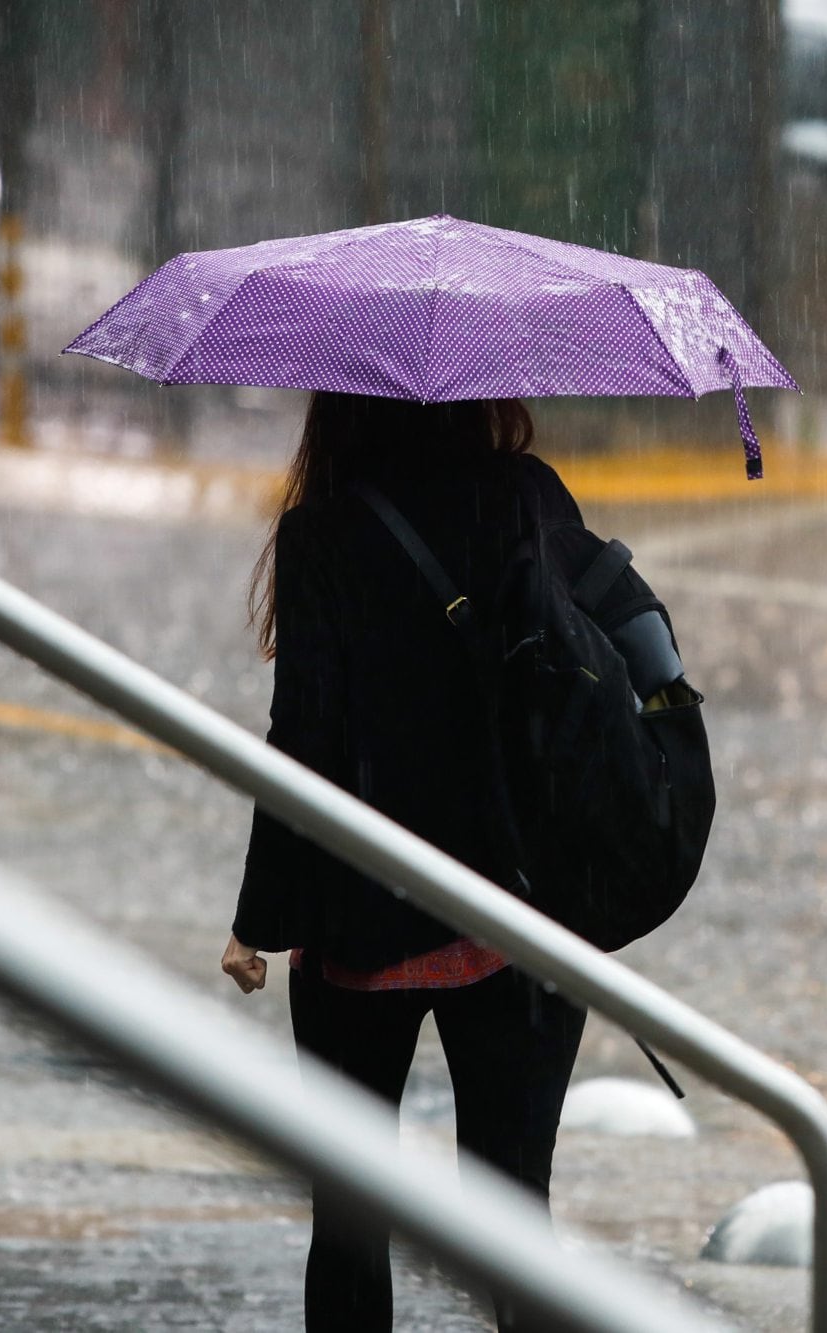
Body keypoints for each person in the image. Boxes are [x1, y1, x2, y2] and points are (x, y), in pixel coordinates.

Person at [219, 391, 587, 1331]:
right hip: (518, 914)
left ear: (338, 410)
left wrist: (260, 920)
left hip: (362, 917)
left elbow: (302, 739)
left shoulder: (323, 536)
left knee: (350, 1220)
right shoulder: (530, 499)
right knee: (512, 1216)